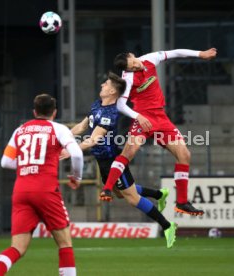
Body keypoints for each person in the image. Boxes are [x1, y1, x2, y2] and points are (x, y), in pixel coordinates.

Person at [61, 72, 177, 248]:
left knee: (131, 198)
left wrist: (71, 150)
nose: (102, 86)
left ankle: (168, 226)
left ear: (113, 92)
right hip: (102, 161)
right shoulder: (96, 105)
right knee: (118, 193)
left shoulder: (111, 113)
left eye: (106, 84)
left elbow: (94, 139)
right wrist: (63, 137)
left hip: (113, 161)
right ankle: (159, 194)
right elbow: (82, 126)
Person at [100, 48, 217, 216]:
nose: (135, 66)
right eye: (131, 67)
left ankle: (182, 202)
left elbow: (176, 53)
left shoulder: (150, 59)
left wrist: (200, 54)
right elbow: (120, 105)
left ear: (132, 55)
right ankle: (107, 189)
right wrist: (138, 116)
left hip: (160, 118)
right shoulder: (128, 78)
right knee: (130, 151)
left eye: (133, 62)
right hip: (144, 119)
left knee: (184, 154)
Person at [0, 94, 83, 276]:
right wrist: (76, 177)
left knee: (17, 248)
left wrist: (29, 165)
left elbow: (5, 162)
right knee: (65, 243)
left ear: (34, 111)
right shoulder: (58, 128)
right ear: (54, 112)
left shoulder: (20, 130)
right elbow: (76, 154)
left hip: (21, 191)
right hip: (45, 190)